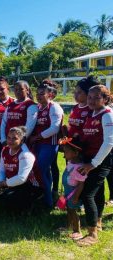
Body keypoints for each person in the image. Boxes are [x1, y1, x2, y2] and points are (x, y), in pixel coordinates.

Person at [76, 85, 113, 246]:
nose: (91, 100)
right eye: (90, 97)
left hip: (100, 160)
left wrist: (93, 164)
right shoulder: (92, 114)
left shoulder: (107, 115)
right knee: (97, 193)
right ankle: (97, 221)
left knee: (88, 194)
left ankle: (92, 233)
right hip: (90, 158)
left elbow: (109, 143)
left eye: (96, 97)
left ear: (105, 99)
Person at [0, 126, 42, 212]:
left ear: (22, 141)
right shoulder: (5, 150)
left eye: (14, 139)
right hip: (13, 184)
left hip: (31, 186)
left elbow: (21, 178)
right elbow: (2, 170)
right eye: (8, 138)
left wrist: (2, 184)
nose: (10, 141)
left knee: (10, 200)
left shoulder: (26, 155)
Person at [30, 80, 64, 208]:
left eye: (42, 94)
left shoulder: (54, 107)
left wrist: (37, 137)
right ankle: (47, 199)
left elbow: (54, 128)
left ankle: (48, 203)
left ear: (50, 94)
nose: (39, 96)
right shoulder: (37, 108)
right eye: (37, 94)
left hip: (49, 144)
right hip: (38, 144)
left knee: (40, 170)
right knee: (45, 172)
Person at [58, 137, 87, 241]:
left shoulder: (79, 168)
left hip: (73, 194)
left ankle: (77, 231)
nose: (64, 154)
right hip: (68, 193)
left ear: (75, 153)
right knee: (69, 210)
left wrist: (76, 197)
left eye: (66, 151)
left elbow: (80, 184)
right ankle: (69, 227)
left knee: (73, 212)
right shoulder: (71, 163)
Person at [0, 80, 38, 145]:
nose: (18, 92)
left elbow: (29, 126)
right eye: (16, 89)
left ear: (27, 90)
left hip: (21, 143)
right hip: (8, 142)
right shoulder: (10, 105)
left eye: (21, 89)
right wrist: (3, 139)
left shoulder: (31, 105)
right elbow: (3, 123)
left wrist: (19, 140)